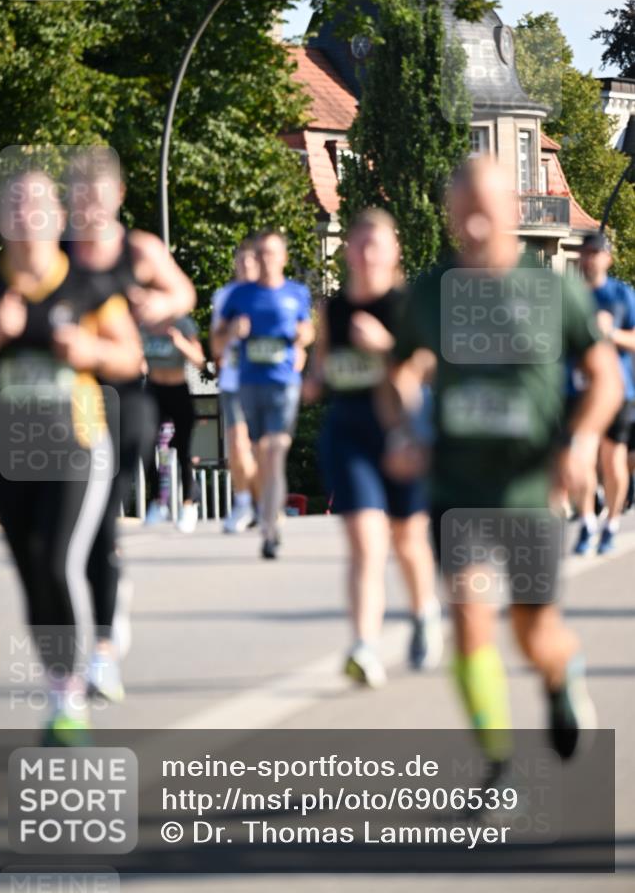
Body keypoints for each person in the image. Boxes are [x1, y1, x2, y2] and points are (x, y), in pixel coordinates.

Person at [385, 158, 622, 774]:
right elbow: (399, 370)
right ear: (453, 215)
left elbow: (603, 381)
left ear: (514, 211)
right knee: (467, 619)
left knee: (532, 632)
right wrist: (407, 426)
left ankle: (560, 671)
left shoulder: (553, 291)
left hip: (528, 487)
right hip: (456, 483)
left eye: (489, 207)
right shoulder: (432, 292)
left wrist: (576, 444)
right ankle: (497, 763)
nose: (478, 222)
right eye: (465, 210)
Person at [0, 171, 143, 740]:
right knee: (30, 573)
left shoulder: (87, 287)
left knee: (55, 558)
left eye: (36, 203)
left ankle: (71, 697)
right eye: (13, 205)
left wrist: (89, 348)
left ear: (56, 215)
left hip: (78, 448)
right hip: (10, 454)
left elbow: (129, 358)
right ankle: (59, 688)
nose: (24, 215)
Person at [64, 148, 195, 702]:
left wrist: (155, 305)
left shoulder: (138, 248)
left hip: (126, 397)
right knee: (76, 531)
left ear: (117, 197)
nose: (89, 209)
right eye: (79, 197)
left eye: (99, 197)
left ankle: (103, 652)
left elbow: (183, 292)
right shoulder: (57, 254)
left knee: (103, 514)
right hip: (68, 401)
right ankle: (105, 606)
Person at [304, 209, 442, 687]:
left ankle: (425, 614)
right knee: (366, 541)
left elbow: (428, 368)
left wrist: (386, 346)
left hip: (402, 429)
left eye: (375, 245)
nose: (365, 255)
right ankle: (364, 645)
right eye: (357, 245)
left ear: (393, 252)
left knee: (407, 541)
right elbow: (321, 372)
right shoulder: (334, 309)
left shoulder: (405, 307)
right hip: (348, 431)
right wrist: (309, 379)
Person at [213, 230, 314, 559]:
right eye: (261, 253)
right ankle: (268, 515)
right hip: (249, 382)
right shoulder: (238, 296)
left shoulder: (296, 293)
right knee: (259, 453)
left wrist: (303, 336)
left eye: (272, 253)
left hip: (284, 383)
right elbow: (215, 344)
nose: (266, 259)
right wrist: (232, 332)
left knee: (274, 451)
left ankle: (271, 529)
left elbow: (308, 330)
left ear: (284, 257)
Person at [571, 233, 635, 555]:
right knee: (580, 460)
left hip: (618, 390)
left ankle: (611, 523)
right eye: (585, 253)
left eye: (596, 253)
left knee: (612, 462)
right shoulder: (570, 296)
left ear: (607, 258)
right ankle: (586, 522)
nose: (590, 258)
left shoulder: (622, 295)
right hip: (580, 391)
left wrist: (611, 333)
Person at [211, 238, 260, 533]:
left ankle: (262, 502)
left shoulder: (274, 294)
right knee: (238, 445)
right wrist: (230, 332)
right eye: (240, 261)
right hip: (233, 379)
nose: (244, 266)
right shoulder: (225, 296)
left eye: (250, 261)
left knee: (263, 449)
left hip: (268, 381)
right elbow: (214, 344)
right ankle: (243, 502)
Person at [143, 314, 205, 532]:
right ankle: (157, 502)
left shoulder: (182, 323)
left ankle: (189, 504)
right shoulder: (143, 324)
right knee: (146, 444)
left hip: (178, 389)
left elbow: (199, 359)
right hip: (152, 390)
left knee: (184, 448)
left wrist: (180, 342)